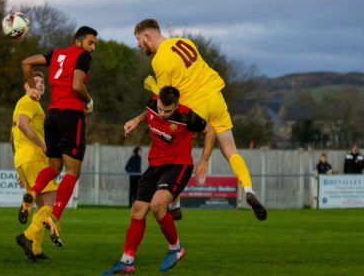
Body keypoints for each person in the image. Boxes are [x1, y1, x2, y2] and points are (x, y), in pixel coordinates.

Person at [133, 18, 267, 221]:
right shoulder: (185, 42)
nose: (138, 45)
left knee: (175, 150)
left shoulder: (159, 60)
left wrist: (151, 84)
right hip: (216, 98)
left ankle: (175, 203)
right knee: (231, 152)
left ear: (147, 36)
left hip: (196, 107)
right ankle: (249, 189)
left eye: (138, 40)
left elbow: (167, 98)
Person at [101, 86, 215, 275]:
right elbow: (148, 113)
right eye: (160, 109)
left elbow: (210, 131)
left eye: (167, 111)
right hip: (155, 165)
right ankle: (126, 261)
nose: (162, 114)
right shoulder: (153, 104)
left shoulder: (188, 116)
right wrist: (136, 120)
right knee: (137, 210)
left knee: (157, 204)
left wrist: (204, 159)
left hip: (178, 165)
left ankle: (176, 249)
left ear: (176, 106)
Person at [18, 26, 98, 247]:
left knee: (55, 168)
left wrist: (33, 88)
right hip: (71, 115)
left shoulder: (55, 54)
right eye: (91, 43)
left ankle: (32, 193)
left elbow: (26, 62)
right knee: (73, 170)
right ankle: (53, 218)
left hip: (51, 115)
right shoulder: (82, 56)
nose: (93, 48)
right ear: (79, 41)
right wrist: (89, 100)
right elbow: (77, 85)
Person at [12, 71, 60, 261]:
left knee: (40, 205)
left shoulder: (22, 104)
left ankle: (36, 250)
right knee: (50, 204)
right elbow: (23, 125)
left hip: (23, 159)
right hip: (35, 158)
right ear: (26, 86)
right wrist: (43, 145)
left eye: (42, 82)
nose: (40, 84)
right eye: (35, 82)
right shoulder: (29, 102)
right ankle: (27, 237)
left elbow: (12, 136)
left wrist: (19, 163)